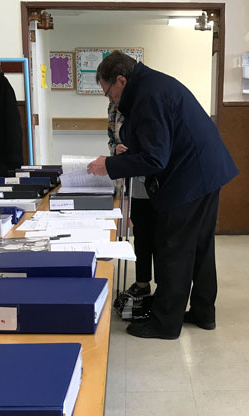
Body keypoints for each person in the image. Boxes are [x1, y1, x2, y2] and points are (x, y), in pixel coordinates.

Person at [87, 50, 238, 340]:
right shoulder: (151, 85)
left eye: (109, 93)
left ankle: (165, 324)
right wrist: (131, 152)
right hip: (206, 171)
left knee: (174, 249)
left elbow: (156, 159)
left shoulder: (147, 95)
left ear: (121, 80)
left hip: (191, 177)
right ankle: (204, 312)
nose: (110, 100)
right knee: (200, 247)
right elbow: (159, 140)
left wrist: (110, 165)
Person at [107, 100, 156, 298]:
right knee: (142, 232)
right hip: (136, 180)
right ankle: (142, 283)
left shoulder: (146, 103)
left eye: (108, 89)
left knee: (161, 237)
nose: (108, 96)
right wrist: (116, 150)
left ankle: (164, 289)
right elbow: (112, 139)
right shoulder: (113, 107)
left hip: (159, 179)